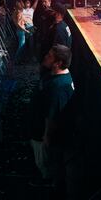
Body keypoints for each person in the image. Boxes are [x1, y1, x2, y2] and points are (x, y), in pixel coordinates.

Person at [30, 45, 74, 186]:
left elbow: (52, 116)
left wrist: (46, 136)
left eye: (49, 56)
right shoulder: (57, 77)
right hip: (39, 126)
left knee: (43, 162)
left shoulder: (59, 87)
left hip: (41, 133)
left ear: (58, 63)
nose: (45, 57)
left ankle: (47, 183)